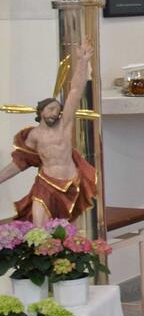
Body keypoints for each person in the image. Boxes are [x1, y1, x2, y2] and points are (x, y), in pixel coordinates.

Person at [0, 42, 96, 224]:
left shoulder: (64, 126)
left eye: (57, 109)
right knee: (38, 226)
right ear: (41, 112)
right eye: (51, 109)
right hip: (45, 183)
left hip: (69, 182)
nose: (55, 112)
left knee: (66, 231)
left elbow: (75, 91)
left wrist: (82, 62)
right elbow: (20, 162)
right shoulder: (33, 136)